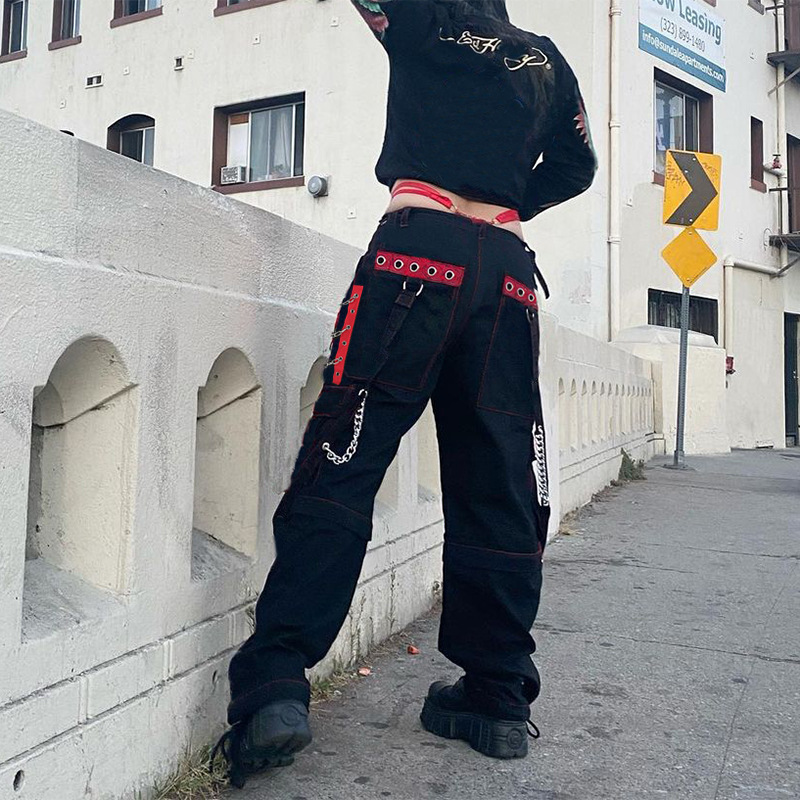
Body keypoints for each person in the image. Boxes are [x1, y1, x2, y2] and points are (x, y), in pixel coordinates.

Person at [212, 0, 597, 788]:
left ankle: (276, 685)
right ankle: (496, 697)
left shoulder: (423, 18)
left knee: (344, 459)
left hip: (418, 254)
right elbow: (576, 166)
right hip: (507, 274)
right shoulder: (546, 59)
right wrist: (507, 199)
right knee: (502, 485)